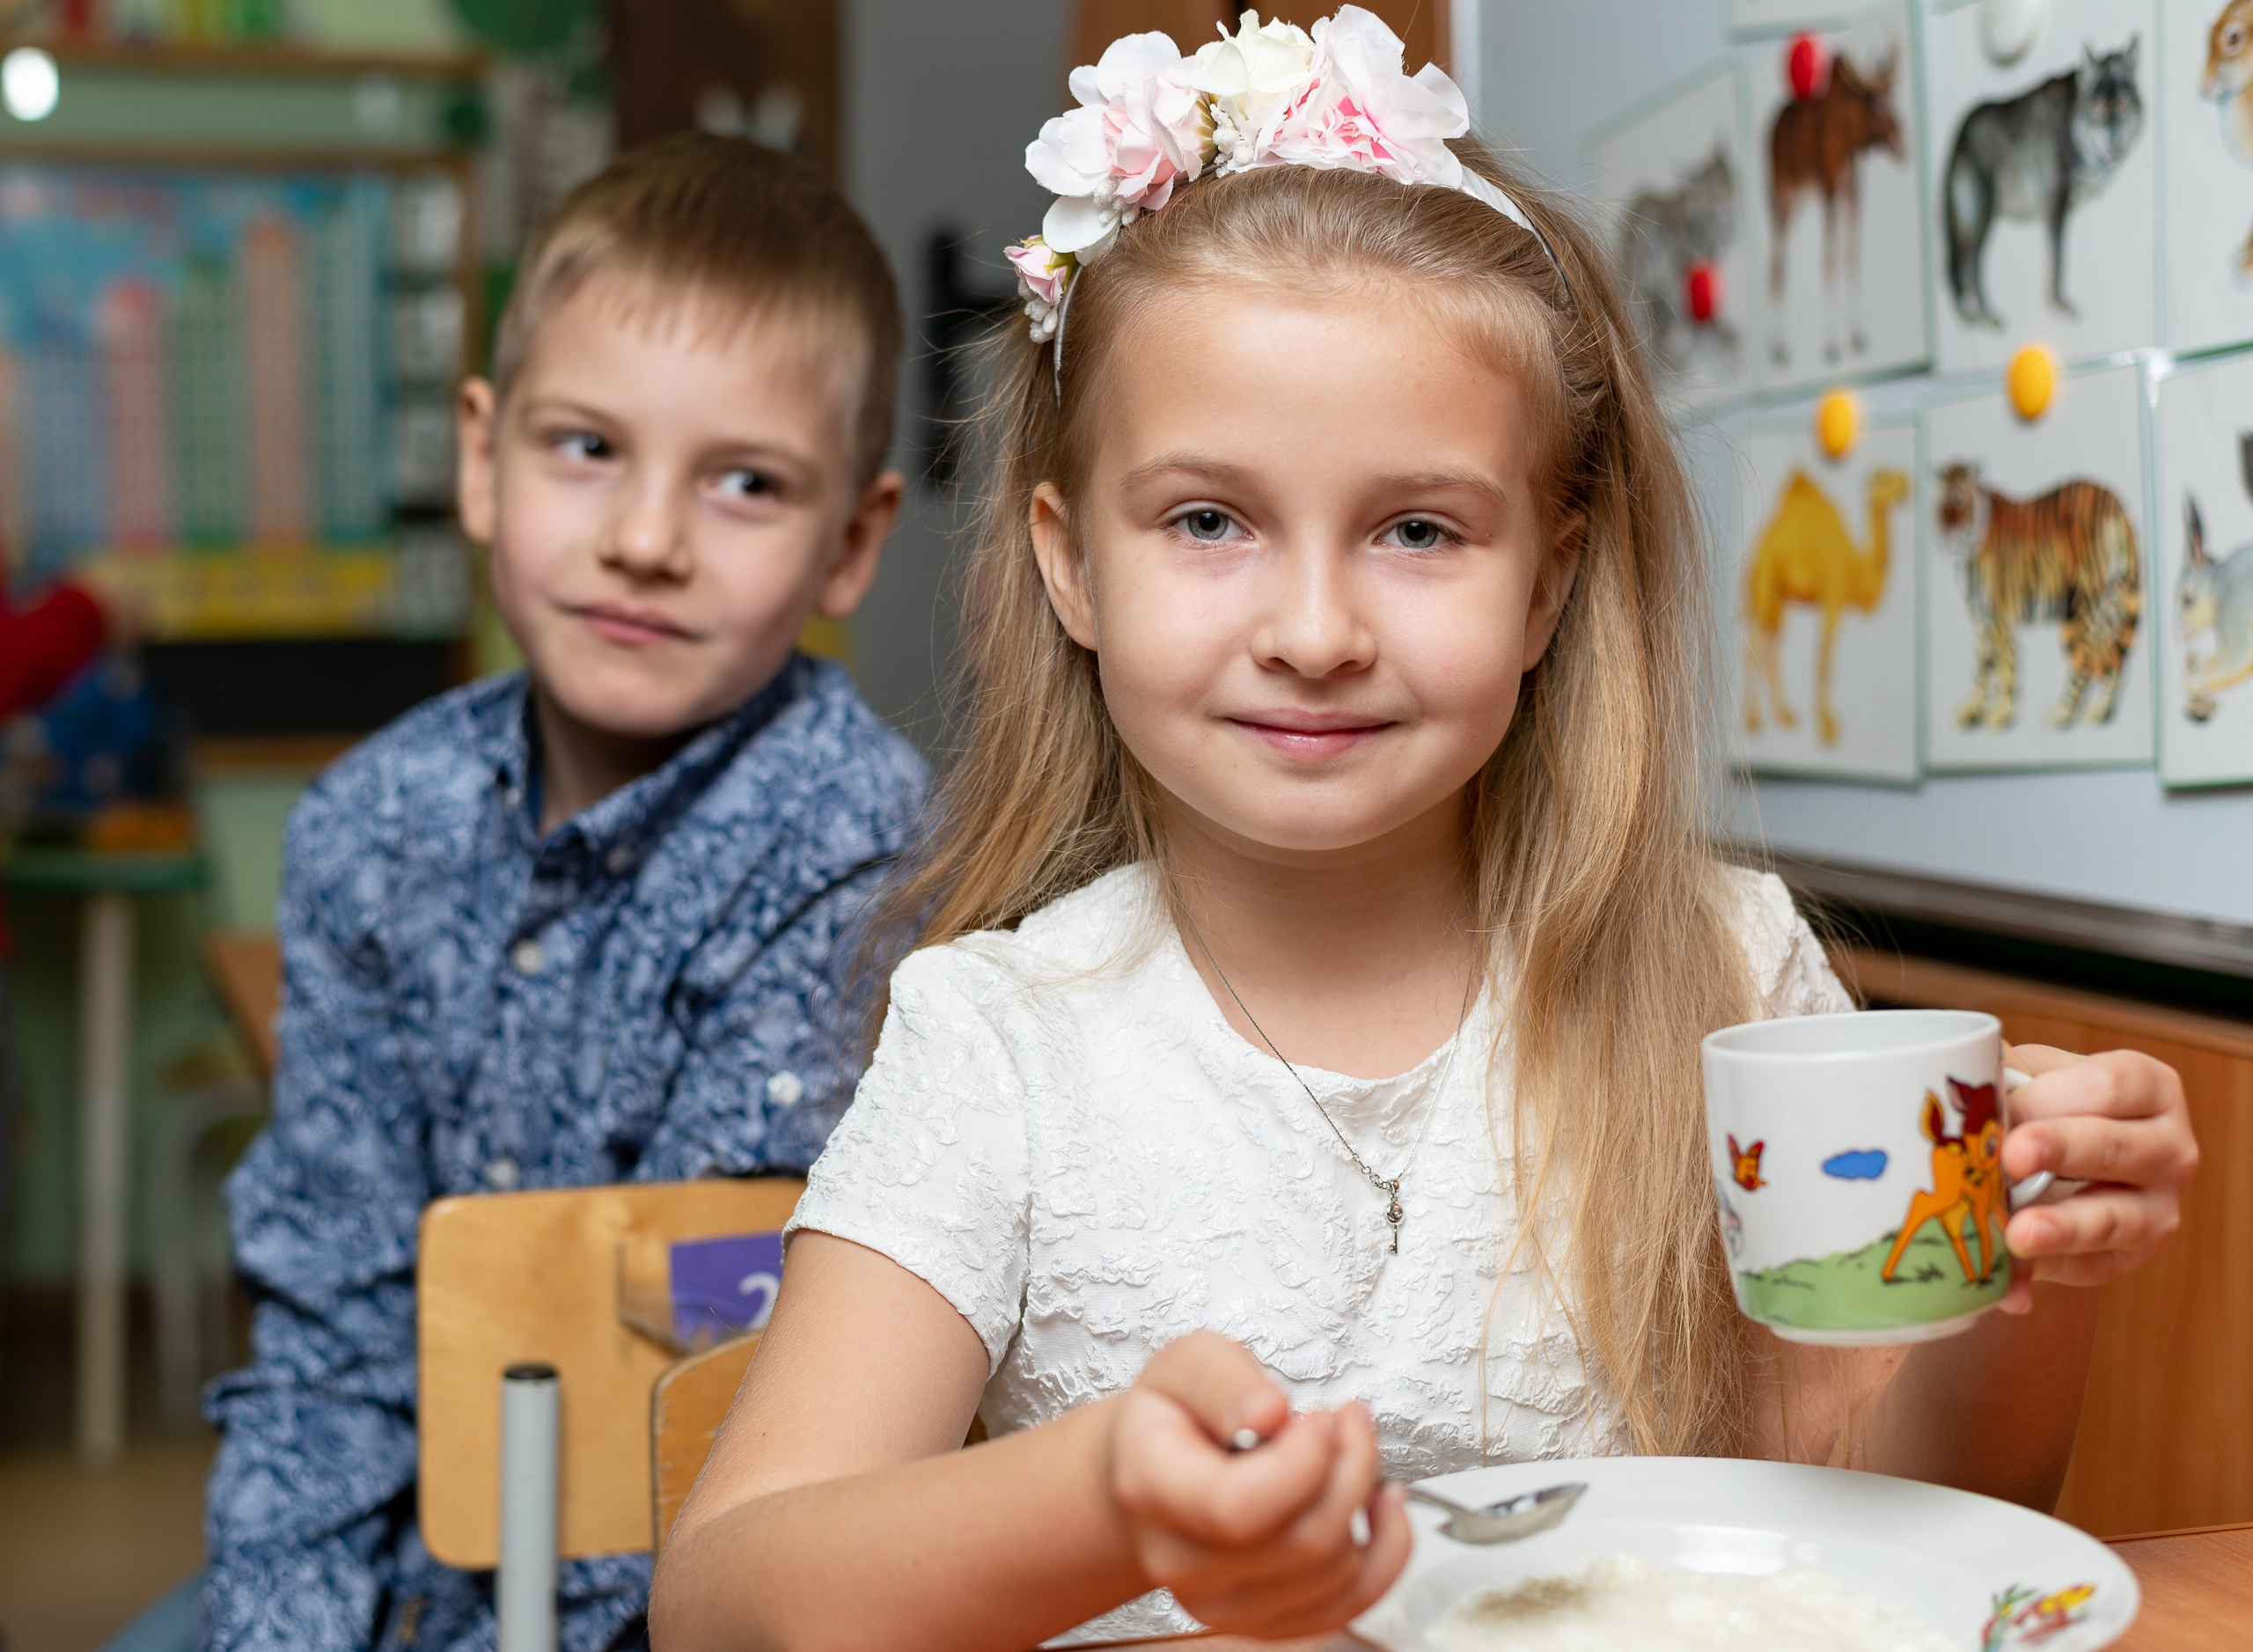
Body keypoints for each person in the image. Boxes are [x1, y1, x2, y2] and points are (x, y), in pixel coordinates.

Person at [647, 15, 2198, 1651]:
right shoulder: (999, 1045)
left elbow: (1907, 1525)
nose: (1314, 629)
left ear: (1545, 580)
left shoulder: (1721, 969)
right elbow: (728, 1601)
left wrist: (2016, 1273)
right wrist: (1105, 1499)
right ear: (1071, 565)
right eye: (1207, 520)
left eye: (1415, 529)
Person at [196, 133, 927, 1652]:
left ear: (852, 540)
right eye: (586, 447)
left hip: (690, 1585)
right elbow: (334, 1314)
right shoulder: (368, 826)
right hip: (413, 1570)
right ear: (481, 457)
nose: (645, 540)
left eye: (743, 482)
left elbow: (695, 1352)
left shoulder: (852, 841)